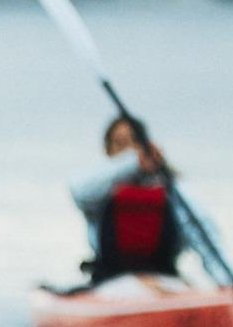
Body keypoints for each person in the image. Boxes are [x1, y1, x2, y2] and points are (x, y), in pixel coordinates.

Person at [68, 114, 224, 285]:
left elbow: (203, 236)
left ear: (144, 146)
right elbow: (78, 191)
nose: (127, 151)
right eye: (120, 144)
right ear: (108, 150)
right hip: (109, 281)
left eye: (133, 142)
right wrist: (134, 163)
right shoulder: (96, 190)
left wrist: (226, 280)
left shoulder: (171, 191)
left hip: (163, 277)